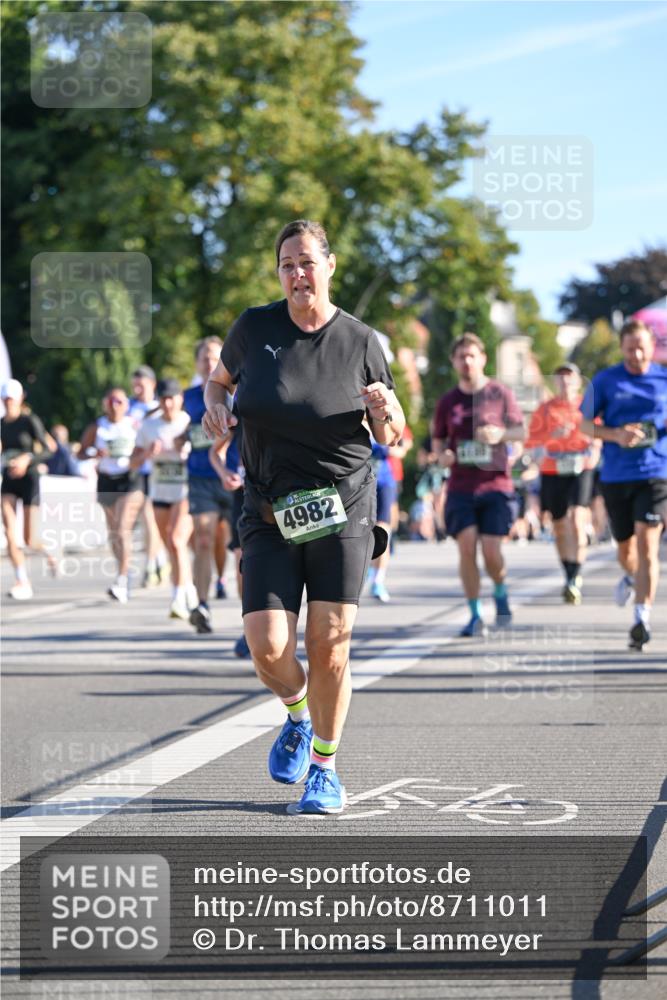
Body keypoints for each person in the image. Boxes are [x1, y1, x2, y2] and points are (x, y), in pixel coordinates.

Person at [202, 219, 405, 814]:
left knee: (329, 644)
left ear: (330, 266)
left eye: (307, 262)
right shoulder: (253, 328)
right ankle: (297, 714)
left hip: (343, 506)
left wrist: (385, 409)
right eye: (287, 264)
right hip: (269, 508)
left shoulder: (360, 340)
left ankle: (325, 766)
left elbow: (392, 433)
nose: (297, 274)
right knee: (267, 647)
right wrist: (216, 409)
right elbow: (218, 383)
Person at [581, 319, 667, 650]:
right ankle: (631, 576)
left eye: (642, 348)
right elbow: (584, 425)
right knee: (626, 550)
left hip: (655, 473)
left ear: (652, 346)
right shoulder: (606, 380)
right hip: (617, 476)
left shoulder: (663, 379)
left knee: (648, 545)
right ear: (621, 348)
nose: (637, 355)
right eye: (630, 349)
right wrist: (615, 434)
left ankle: (641, 619)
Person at [432, 333, 525, 637]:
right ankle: (474, 615)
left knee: (492, 552)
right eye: (461, 357)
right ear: (454, 362)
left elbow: (520, 432)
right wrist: (442, 456)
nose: (467, 361)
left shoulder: (500, 393)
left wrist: (500, 435)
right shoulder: (447, 402)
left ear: (483, 358)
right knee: (467, 547)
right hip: (461, 486)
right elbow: (438, 442)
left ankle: (500, 589)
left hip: (495, 484)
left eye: (472, 355)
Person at [526, 362, 598, 603]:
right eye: (561, 377)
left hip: (580, 467)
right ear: (555, 382)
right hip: (552, 468)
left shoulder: (587, 405)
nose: (565, 381)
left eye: (569, 376)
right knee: (559, 525)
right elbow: (530, 440)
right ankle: (569, 573)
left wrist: (595, 451)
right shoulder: (545, 409)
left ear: (577, 381)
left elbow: (599, 433)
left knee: (577, 519)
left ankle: (575, 575)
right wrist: (551, 435)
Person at [131, 378, 197, 620]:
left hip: (186, 491)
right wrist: (148, 454)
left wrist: (185, 452)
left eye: (172, 399)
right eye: (163, 399)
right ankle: (188, 590)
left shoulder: (189, 423)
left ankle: (178, 597)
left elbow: (206, 454)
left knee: (176, 540)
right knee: (171, 545)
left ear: (180, 399)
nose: (168, 404)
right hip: (160, 493)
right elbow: (132, 462)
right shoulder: (149, 426)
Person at [183, 336, 232, 634]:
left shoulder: (237, 392)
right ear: (197, 363)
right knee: (203, 538)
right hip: (201, 477)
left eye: (215, 357)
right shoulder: (187, 398)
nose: (209, 363)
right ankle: (201, 605)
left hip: (234, 476)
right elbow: (177, 429)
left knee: (233, 543)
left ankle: (251, 616)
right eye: (204, 358)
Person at [80, 388, 143, 603]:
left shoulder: (134, 424)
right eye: (111, 401)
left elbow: (144, 448)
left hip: (129, 479)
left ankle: (122, 580)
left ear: (127, 405)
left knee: (123, 528)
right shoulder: (98, 426)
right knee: (114, 531)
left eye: (119, 401)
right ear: (105, 404)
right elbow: (80, 451)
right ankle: (124, 570)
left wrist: (141, 457)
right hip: (107, 480)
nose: (115, 406)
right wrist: (93, 453)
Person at [1, 379, 56, 598]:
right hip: (9, 479)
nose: (8, 403)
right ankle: (21, 580)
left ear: (20, 399)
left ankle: (50, 551)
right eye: (5, 399)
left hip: (29, 479)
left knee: (30, 539)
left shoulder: (29, 421)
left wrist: (28, 459)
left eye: (12, 399)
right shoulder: (1, 424)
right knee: (9, 532)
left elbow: (49, 449)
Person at [128, 365, 167, 587]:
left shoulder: (160, 407)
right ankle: (157, 560)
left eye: (141, 385)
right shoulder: (129, 407)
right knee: (147, 520)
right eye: (134, 385)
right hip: (138, 469)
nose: (137, 389)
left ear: (152, 384)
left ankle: (153, 564)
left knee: (152, 518)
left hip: (159, 471)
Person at [366, 436, 397, 602]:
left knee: (383, 531)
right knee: (362, 531)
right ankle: (368, 569)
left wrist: (389, 448)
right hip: (360, 484)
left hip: (384, 483)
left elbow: (400, 448)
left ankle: (378, 580)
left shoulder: (383, 422)